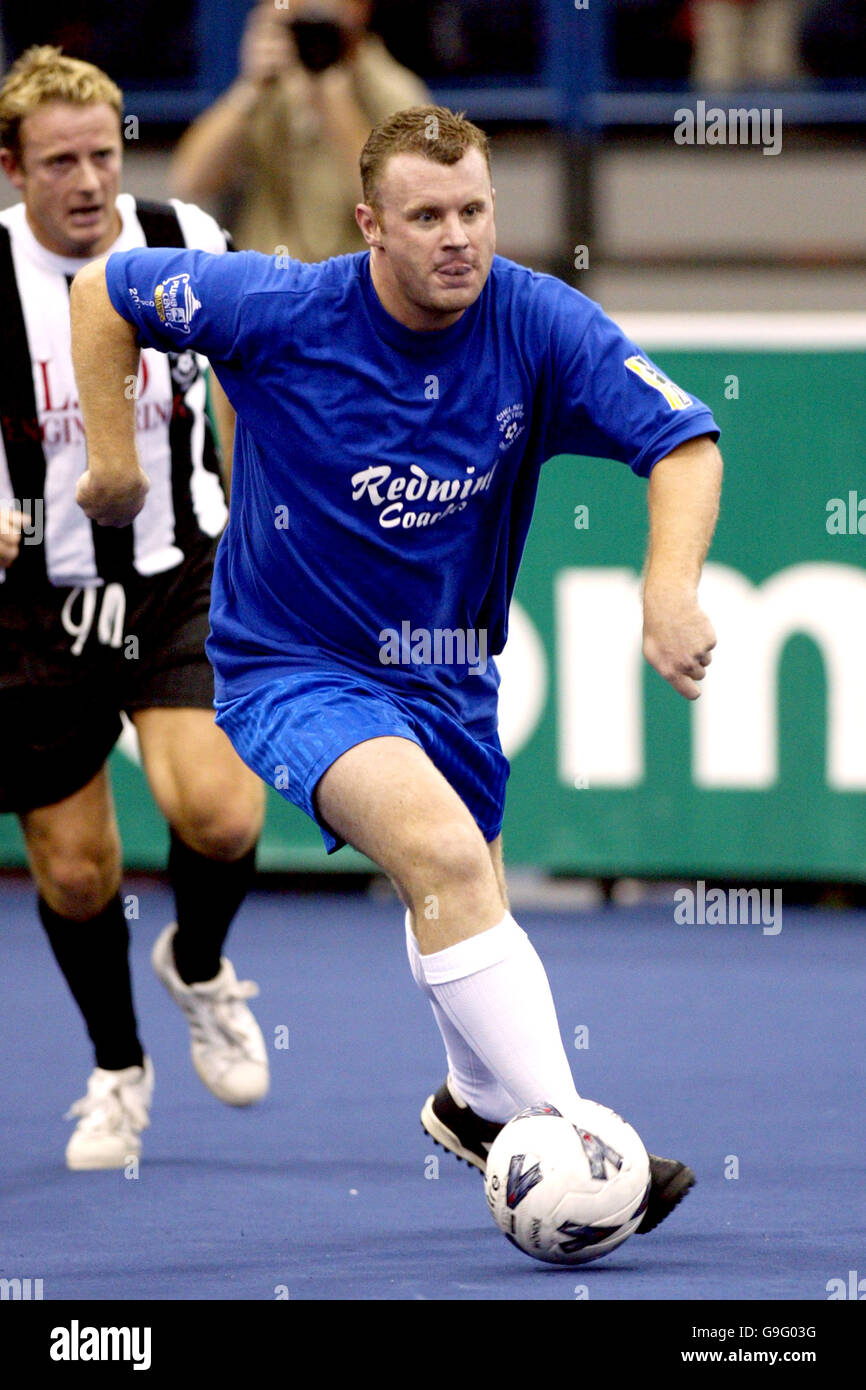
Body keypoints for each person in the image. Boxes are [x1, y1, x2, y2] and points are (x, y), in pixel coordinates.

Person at [71, 105, 724, 1238]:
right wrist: (117, 463)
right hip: (291, 666)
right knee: (444, 855)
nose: (458, 237)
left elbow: (683, 439)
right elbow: (102, 291)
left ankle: (474, 1105)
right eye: (426, 217)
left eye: (474, 210)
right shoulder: (280, 306)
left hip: (452, 675)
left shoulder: (534, 320)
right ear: (371, 224)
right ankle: (576, 1135)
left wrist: (667, 588)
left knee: (461, 891)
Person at [0, 46, 269, 1171]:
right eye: (58, 161)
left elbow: (263, 363)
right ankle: (119, 1068)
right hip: (32, 605)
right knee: (74, 872)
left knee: (222, 816)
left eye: (102, 155)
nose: (87, 181)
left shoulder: (182, 238)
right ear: (12, 167)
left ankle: (198, 965)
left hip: (178, 574)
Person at [169, 0, 428, 258]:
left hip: (352, 276)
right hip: (269, 273)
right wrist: (249, 88)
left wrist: (333, 100)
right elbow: (190, 182)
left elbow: (398, 207)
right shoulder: (270, 85)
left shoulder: (392, 90)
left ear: (360, 9)